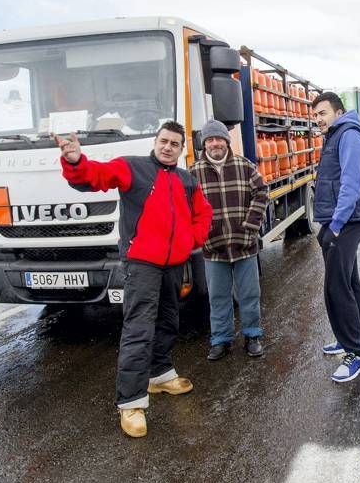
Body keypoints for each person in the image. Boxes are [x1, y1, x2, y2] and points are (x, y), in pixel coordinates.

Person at [54, 121, 212, 438]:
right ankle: (131, 403)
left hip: (173, 263)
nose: (168, 147)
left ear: (182, 151)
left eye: (175, 144)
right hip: (142, 263)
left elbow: (203, 213)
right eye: (164, 141)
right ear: (155, 142)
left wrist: (191, 239)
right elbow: (95, 177)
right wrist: (75, 162)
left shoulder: (185, 179)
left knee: (169, 319)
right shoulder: (132, 168)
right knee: (139, 328)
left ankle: (160, 374)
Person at [191, 120, 269, 360]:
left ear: (226, 141)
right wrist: (200, 235)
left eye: (219, 138)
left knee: (249, 293)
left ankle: (252, 335)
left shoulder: (244, 166)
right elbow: (186, 207)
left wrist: (250, 227)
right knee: (218, 296)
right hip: (213, 248)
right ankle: (221, 340)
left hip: (244, 244)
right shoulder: (193, 173)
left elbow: (261, 194)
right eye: (210, 139)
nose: (215, 143)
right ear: (204, 144)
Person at [311, 92, 360, 383]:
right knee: (349, 282)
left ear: (338, 111)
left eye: (322, 113)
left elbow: (350, 183)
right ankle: (349, 338)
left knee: (337, 287)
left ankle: (356, 354)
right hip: (341, 221)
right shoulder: (337, 134)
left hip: (345, 221)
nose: (318, 120)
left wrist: (335, 225)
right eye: (315, 115)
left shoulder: (348, 135)